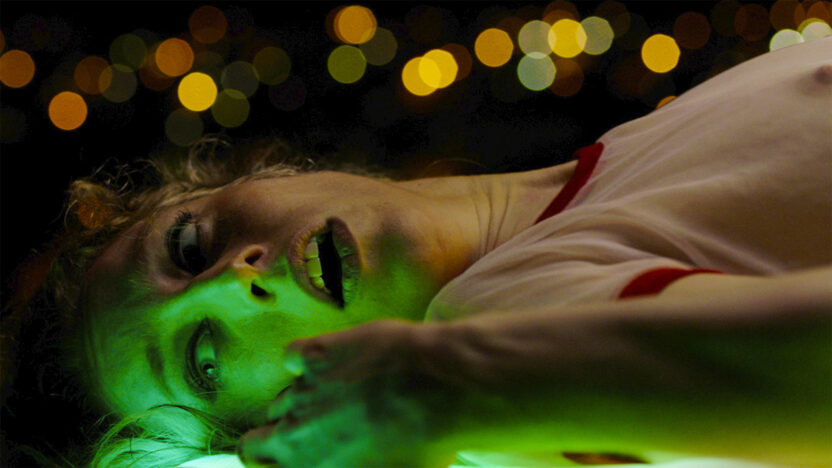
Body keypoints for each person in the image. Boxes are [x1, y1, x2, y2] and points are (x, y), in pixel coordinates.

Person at [2, 35, 830, 468]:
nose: (231, 284)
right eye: (205, 361)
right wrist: (443, 388)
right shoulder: (505, 324)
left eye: (188, 247)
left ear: (254, 174)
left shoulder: (624, 155)